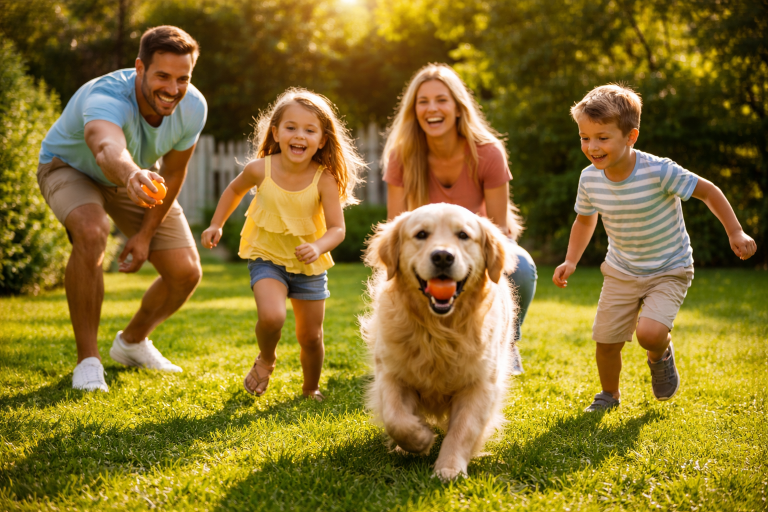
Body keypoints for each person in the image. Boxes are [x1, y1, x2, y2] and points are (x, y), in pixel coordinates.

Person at [553, 84, 757, 412]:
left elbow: (709, 192)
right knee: (605, 340)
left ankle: (659, 354)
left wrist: (735, 232)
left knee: (649, 333)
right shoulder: (589, 179)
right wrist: (571, 260)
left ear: (630, 137)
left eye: (602, 137)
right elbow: (584, 221)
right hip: (621, 269)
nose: (592, 146)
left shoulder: (659, 171)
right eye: (584, 137)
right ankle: (609, 395)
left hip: (669, 268)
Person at [36, 26, 208, 392]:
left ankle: (131, 344)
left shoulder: (193, 106)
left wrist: (145, 234)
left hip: (136, 179)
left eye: (183, 78)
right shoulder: (107, 95)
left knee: (186, 272)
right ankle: (88, 360)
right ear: (140, 68)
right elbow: (105, 148)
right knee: (92, 230)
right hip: (70, 168)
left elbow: (175, 172)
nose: (173, 89)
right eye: (162, 76)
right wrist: (131, 174)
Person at [201, 88, 364, 401]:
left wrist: (318, 246)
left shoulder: (324, 179)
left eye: (309, 130)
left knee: (311, 337)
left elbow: (337, 229)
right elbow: (234, 191)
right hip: (267, 257)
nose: (299, 135)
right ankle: (266, 358)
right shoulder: (259, 169)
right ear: (275, 133)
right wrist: (216, 223)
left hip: (310, 265)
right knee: (272, 317)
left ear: (322, 139)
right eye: (291, 127)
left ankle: (310, 388)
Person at [382, 63, 537, 374]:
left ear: (457, 107)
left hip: (471, 247)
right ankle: (410, 346)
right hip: (423, 247)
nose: (432, 109)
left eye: (441, 99)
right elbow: (396, 226)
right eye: (422, 102)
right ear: (414, 111)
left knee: (519, 267)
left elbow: (498, 227)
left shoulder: (488, 153)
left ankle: (506, 341)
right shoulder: (402, 155)